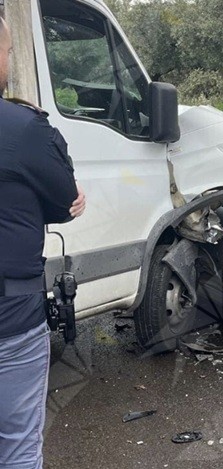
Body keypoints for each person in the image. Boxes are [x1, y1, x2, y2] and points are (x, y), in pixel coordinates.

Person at [0, 15, 85, 469]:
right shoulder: (22, 128)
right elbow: (64, 201)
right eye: (9, 51)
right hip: (9, 321)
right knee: (16, 446)